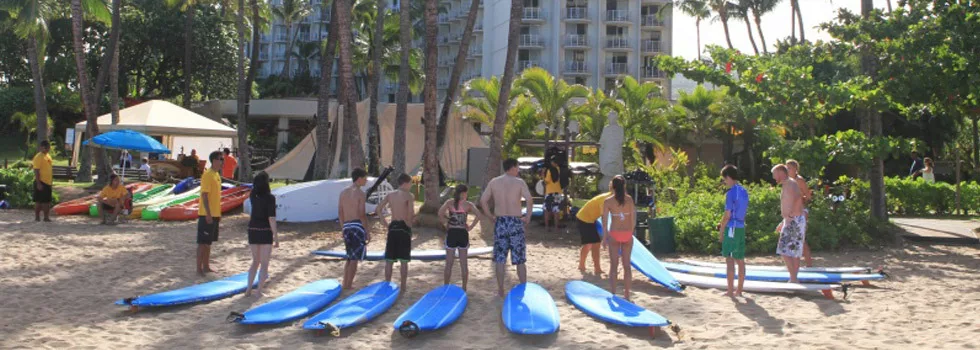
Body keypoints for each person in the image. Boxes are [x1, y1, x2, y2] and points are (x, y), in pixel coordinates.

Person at [480, 158, 533, 297]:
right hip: (515, 221)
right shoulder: (519, 182)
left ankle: (501, 289)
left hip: (501, 222)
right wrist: (527, 216)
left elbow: (483, 201)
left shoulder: (494, 182)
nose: (519, 170)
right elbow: (529, 199)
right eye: (518, 167)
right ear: (513, 167)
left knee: (500, 258)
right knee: (520, 259)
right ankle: (523, 288)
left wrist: (490, 216)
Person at [439, 184, 483, 290]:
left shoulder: (449, 202)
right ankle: (464, 288)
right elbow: (479, 215)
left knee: (449, 263)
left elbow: (440, 213)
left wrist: (446, 224)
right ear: (464, 193)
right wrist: (471, 227)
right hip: (463, 233)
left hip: (452, 233)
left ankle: (446, 287)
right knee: (464, 264)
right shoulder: (468, 204)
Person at [377, 174, 416, 290]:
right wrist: (411, 224)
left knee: (389, 259)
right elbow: (410, 214)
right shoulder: (409, 196)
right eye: (410, 183)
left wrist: (385, 224)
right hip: (403, 227)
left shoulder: (390, 195)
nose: (411, 186)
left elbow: (378, 209)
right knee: (404, 260)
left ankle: (387, 284)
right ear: (406, 183)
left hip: (393, 227)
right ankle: (403, 285)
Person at [601, 175, 636, 300]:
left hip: (614, 234)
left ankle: (613, 293)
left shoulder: (608, 201)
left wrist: (604, 238)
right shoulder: (629, 200)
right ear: (624, 186)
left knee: (614, 265)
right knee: (627, 266)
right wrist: (631, 233)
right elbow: (633, 219)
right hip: (627, 234)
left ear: (612, 186)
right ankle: (627, 294)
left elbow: (604, 221)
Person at [244, 171, 278, 297]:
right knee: (264, 263)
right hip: (265, 231)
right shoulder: (270, 198)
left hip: (252, 229)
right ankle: (258, 291)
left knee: (255, 261)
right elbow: (271, 219)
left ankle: (248, 289)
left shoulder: (253, 195)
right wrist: (276, 236)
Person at [718, 165, 748, 297]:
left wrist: (721, 230)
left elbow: (727, 214)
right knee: (740, 259)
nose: (724, 182)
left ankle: (730, 291)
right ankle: (739, 290)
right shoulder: (744, 191)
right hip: (741, 227)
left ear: (728, 177)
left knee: (729, 259)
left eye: (724, 179)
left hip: (732, 228)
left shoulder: (730, 193)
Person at [772, 164, 805, 283]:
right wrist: (784, 221)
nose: (774, 177)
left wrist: (790, 216)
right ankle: (794, 278)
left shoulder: (790, 183)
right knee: (793, 251)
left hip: (794, 220)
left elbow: (798, 198)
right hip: (793, 219)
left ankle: (793, 278)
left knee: (783, 249)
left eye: (774, 174)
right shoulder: (788, 184)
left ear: (781, 173)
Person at [339, 168, 369, 290]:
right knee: (355, 258)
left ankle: (345, 283)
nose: (366, 181)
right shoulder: (360, 194)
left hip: (346, 225)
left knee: (349, 256)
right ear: (359, 178)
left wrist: (343, 227)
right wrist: (367, 230)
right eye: (365, 178)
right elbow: (362, 214)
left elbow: (340, 212)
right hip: (357, 225)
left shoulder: (343, 192)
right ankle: (349, 285)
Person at [196, 151, 224, 275]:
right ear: (214, 160)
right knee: (202, 243)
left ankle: (206, 266)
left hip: (215, 214)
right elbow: (204, 195)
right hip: (206, 214)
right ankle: (198, 268)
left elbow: (215, 197)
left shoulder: (217, 175)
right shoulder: (207, 175)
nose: (222, 161)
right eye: (220, 159)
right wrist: (208, 213)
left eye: (222, 159)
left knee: (208, 243)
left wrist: (218, 214)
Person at [786, 160, 814, 267]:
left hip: (801, 212)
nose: (787, 170)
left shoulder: (800, 180)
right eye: (786, 168)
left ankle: (809, 264)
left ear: (795, 169)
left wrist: (800, 198)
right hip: (791, 213)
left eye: (789, 168)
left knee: (800, 238)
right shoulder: (787, 181)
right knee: (791, 238)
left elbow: (808, 196)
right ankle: (793, 264)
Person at [575, 191, 610, 275]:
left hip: (590, 219)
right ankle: (593, 267)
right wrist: (605, 231)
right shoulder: (606, 199)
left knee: (591, 243)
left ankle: (584, 265)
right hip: (584, 219)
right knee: (592, 243)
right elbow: (603, 216)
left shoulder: (610, 196)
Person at [32, 141, 53, 222]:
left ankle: (46, 217)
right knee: (39, 201)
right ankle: (37, 217)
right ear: (41, 147)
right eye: (45, 147)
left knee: (47, 201)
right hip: (41, 181)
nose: (47, 149)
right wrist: (38, 183)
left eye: (48, 147)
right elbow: (36, 170)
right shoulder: (38, 157)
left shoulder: (48, 156)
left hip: (48, 182)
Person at [542, 158, 563, 232]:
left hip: (549, 192)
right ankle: (556, 228)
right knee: (556, 211)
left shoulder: (549, 170)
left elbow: (546, 181)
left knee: (547, 210)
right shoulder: (560, 170)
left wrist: (542, 174)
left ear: (553, 162)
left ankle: (547, 227)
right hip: (558, 192)